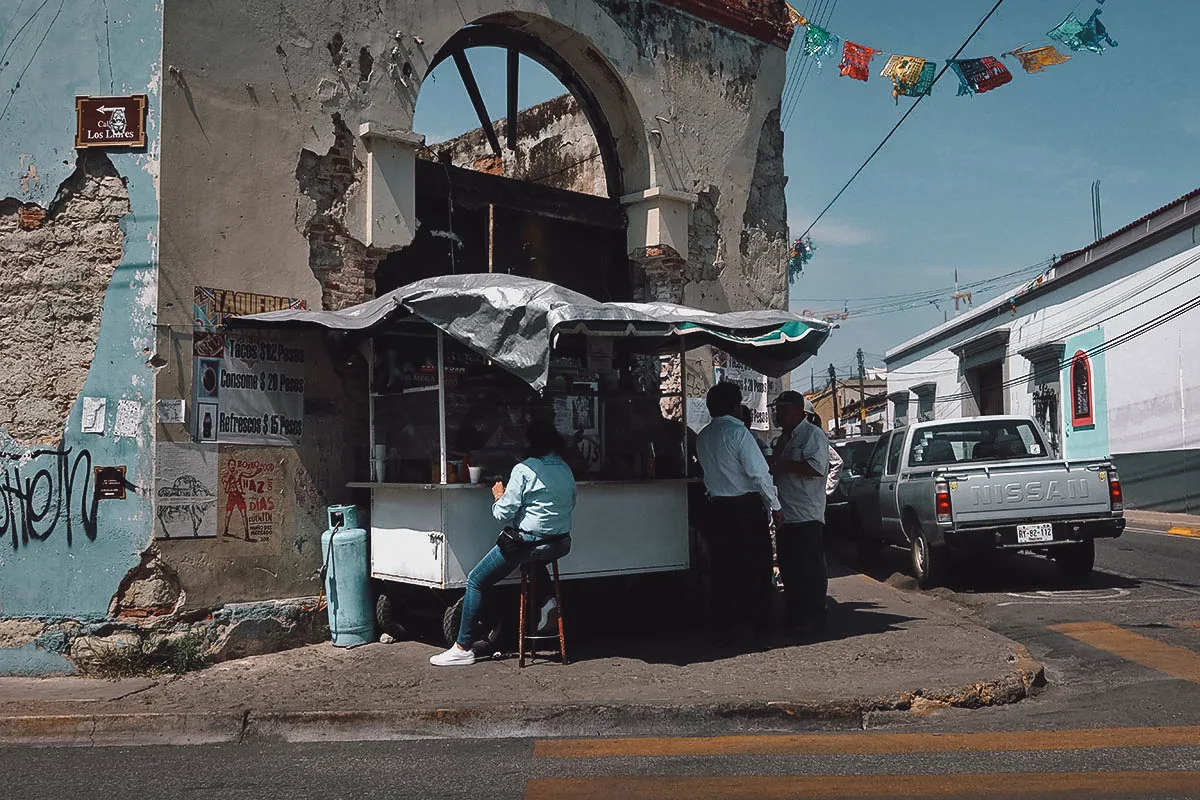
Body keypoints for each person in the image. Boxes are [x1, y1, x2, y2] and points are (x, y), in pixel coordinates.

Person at [429, 419, 576, 667]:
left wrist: (499, 496)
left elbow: (502, 514)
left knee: (476, 580)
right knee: (534, 558)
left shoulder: (524, 470)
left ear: (530, 444)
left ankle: (462, 648)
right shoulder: (564, 468)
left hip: (527, 543)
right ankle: (548, 600)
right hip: (559, 543)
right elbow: (570, 503)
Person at [695, 381, 783, 646]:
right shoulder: (739, 434)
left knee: (723, 572)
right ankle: (760, 631)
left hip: (717, 510)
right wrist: (775, 506)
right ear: (736, 407)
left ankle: (725, 629)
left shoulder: (703, 436)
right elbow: (759, 474)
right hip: (744, 509)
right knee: (755, 571)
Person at [770, 391, 833, 635]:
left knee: (810, 570)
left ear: (799, 410)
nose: (779, 414)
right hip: (786, 514)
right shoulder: (784, 438)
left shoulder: (812, 435)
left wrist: (782, 465)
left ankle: (816, 616)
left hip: (806, 514)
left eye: (784, 409)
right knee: (790, 570)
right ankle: (795, 615)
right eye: (777, 409)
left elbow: (817, 468)